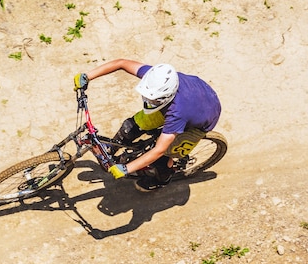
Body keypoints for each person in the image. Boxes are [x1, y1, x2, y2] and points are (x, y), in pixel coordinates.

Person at [74, 59, 221, 192]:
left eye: (154, 100)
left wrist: (126, 169)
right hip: (194, 95)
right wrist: (87, 76)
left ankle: (162, 179)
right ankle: (112, 148)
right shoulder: (156, 78)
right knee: (129, 127)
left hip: (202, 118)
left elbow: (159, 150)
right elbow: (121, 63)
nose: (148, 102)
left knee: (162, 158)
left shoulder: (178, 113)